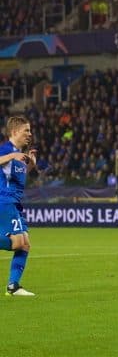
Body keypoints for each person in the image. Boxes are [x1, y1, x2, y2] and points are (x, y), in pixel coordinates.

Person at [0, 116, 37, 296]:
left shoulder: (20, 156)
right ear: (15, 132)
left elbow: (15, 178)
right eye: (26, 130)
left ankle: (13, 286)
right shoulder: (7, 150)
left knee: (25, 244)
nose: (29, 134)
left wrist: (30, 165)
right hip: (4, 202)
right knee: (18, 242)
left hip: (15, 203)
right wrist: (11, 156)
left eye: (30, 131)